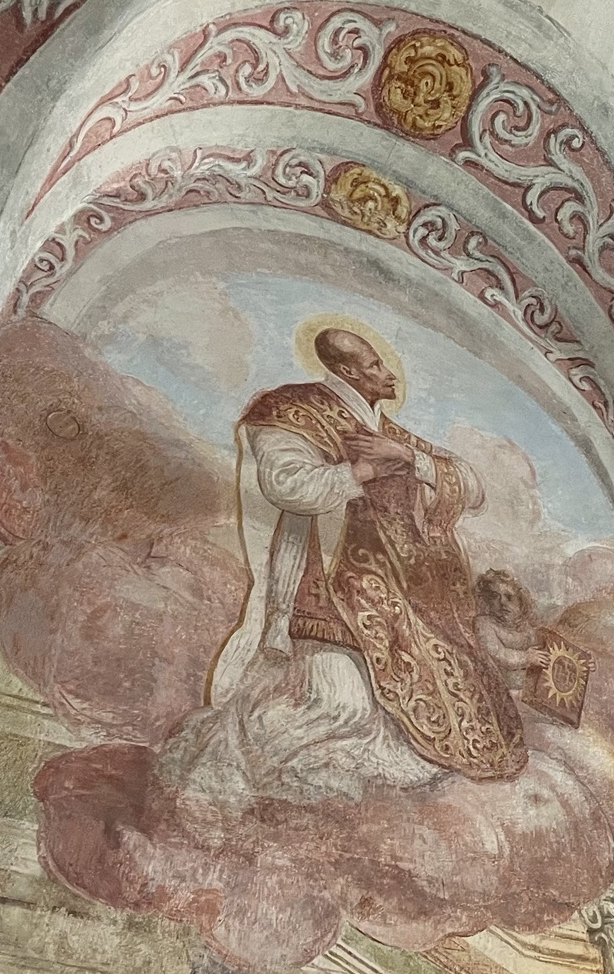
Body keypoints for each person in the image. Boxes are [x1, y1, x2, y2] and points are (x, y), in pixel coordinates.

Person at [159, 321, 525, 811]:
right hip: (330, 587)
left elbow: (472, 487)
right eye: (375, 365)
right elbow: (288, 485)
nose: (387, 372)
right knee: (339, 705)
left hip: (404, 597)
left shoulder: (390, 434)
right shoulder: (292, 412)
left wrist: (409, 458)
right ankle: (256, 786)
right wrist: (365, 471)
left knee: (454, 705)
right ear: (348, 371)